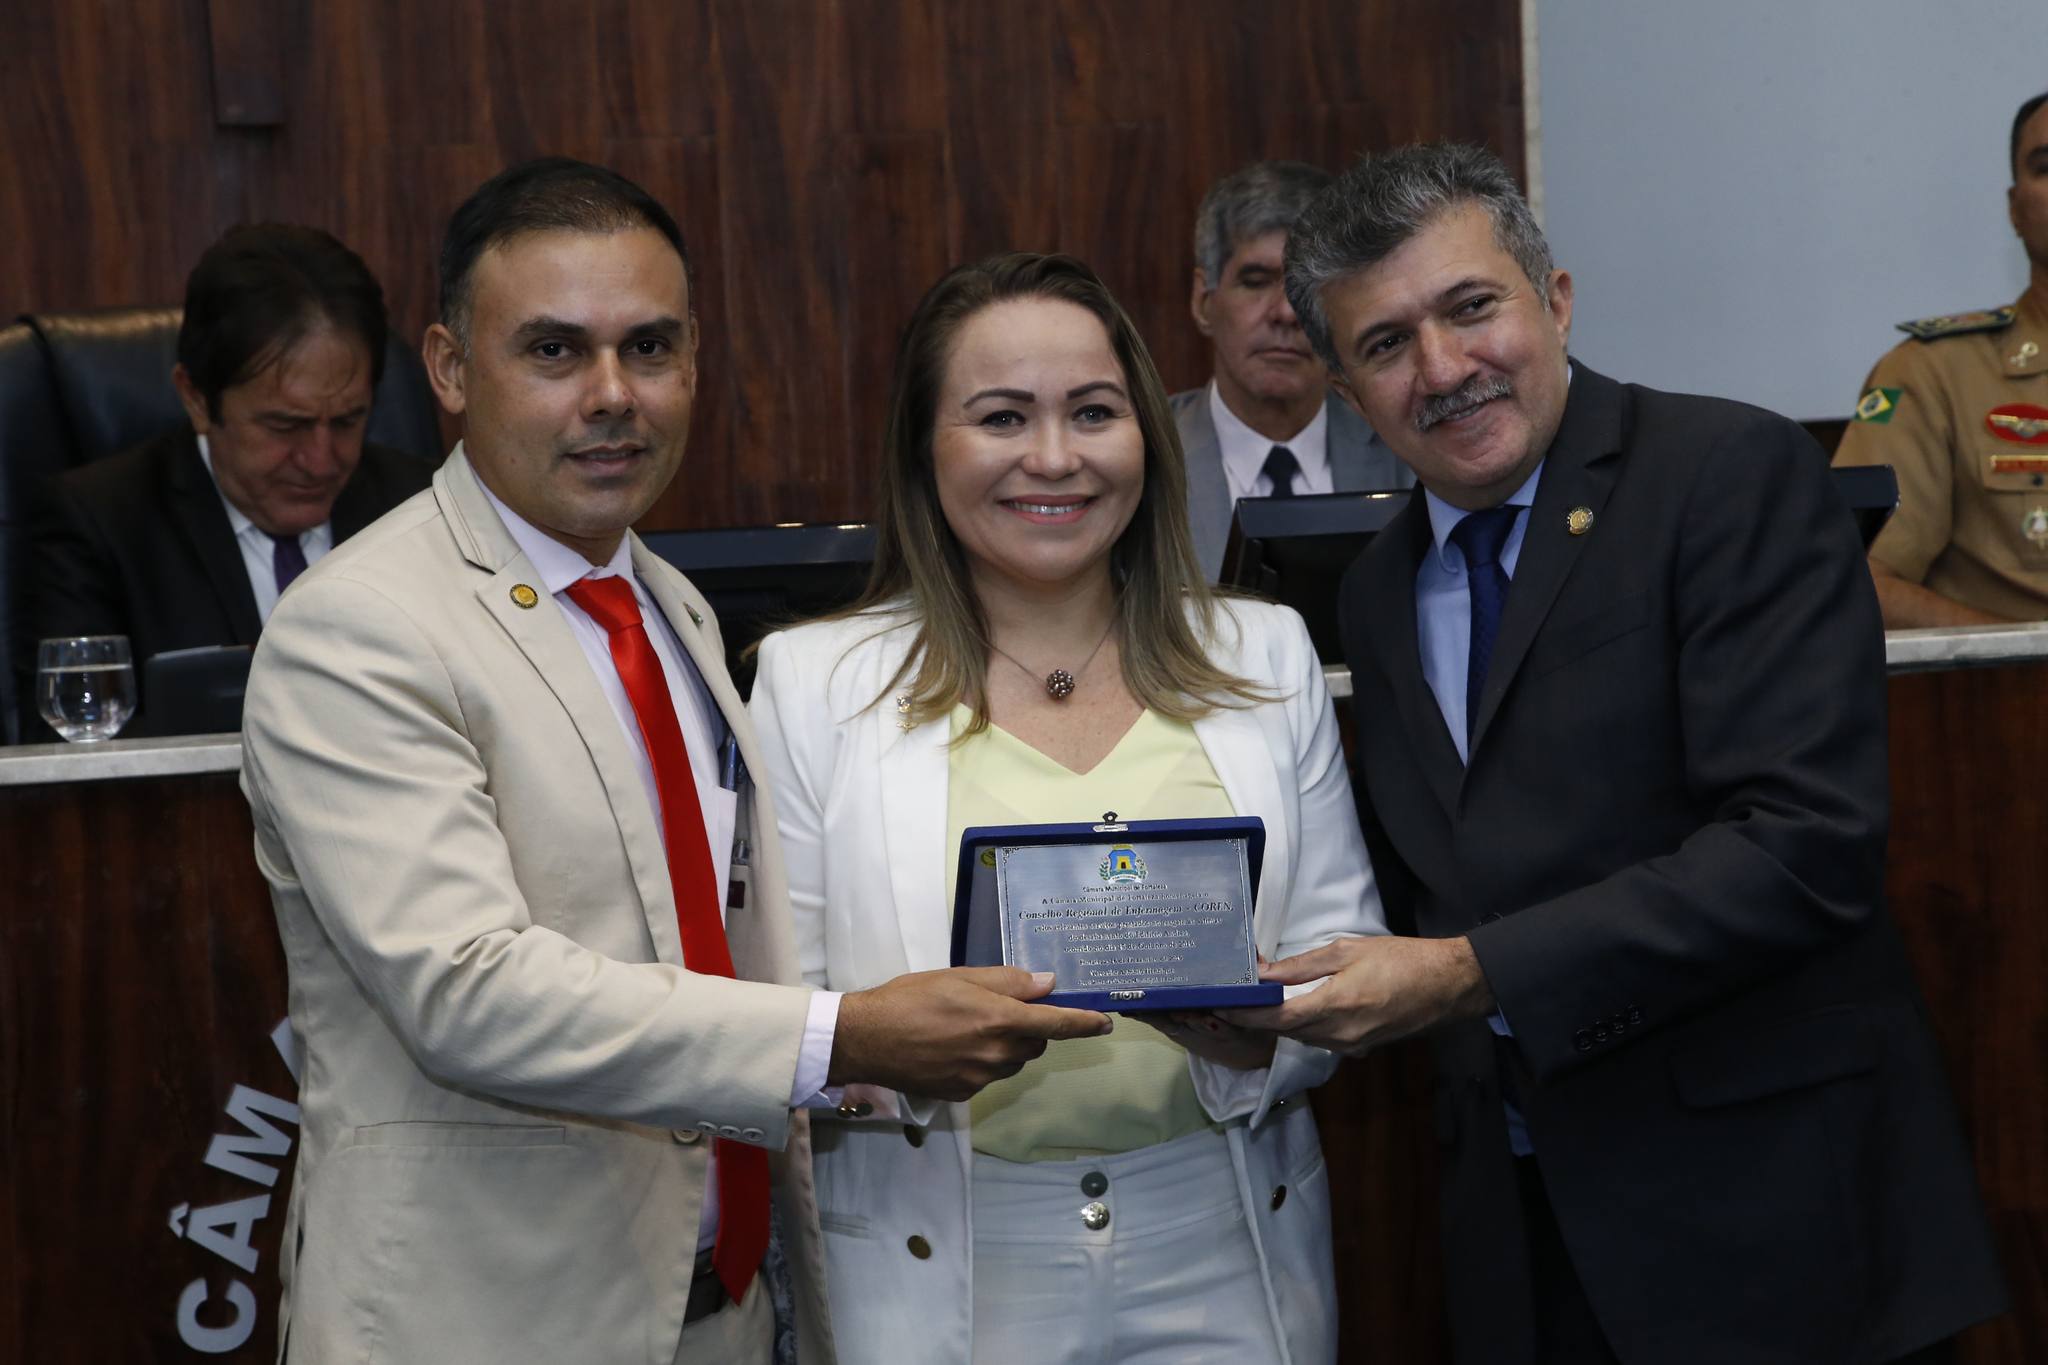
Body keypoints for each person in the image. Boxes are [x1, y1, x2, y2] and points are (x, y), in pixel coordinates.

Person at [239, 160, 1110, 1365]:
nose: (612, 395)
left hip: (724, 1312)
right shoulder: (359, 626)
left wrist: (871, 1052)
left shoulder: (669, 606)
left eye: (648, 348)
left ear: (694, 361)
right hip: (485, 1326)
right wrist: (841, 1037)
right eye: (554, 351)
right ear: (448, 368)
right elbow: (467, 993)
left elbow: (700, 937)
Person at [1233, 143, 2008, 1364]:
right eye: (1383, 344)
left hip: (1769, 1232)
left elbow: (1801, 848)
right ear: (1342, 388)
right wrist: (1231, 991)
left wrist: (1469, 973)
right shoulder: (1374, 590)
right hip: (1521, 1239)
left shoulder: (1724, 474)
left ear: (1554, 299)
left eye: (1470, 307)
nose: (1441, 368)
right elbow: (1429, 878)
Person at [749, 251, 1381, 1365]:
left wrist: (1262, 1033)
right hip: (936, 1247)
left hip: (1224, 1231)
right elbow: (774, 1016)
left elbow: (1346, 950)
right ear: (924, 447)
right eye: (1001, 416)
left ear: (1146, 433)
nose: (1054, 456)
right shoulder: (814, 683)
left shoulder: (1264, 653)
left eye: (1093, 411)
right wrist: (889, 1043)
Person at [27, 223, 433, 735]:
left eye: (348, 420)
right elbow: (68, 744)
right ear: (196, 399)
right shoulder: (100, 524)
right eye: (285, 425)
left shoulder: (424, 506)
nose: (320, 460)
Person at [1834, 90, 2048, 627]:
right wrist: (2021, 659)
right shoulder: (1931, 374)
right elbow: (1856, 580)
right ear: (2015, 208)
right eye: (2047, 167)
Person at [1174, 160, 1410, 580]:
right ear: (1203, 301)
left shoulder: (1405, 446)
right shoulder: (1148, 457)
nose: (1285, 312)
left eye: (1305, 289)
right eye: (1255, 281)